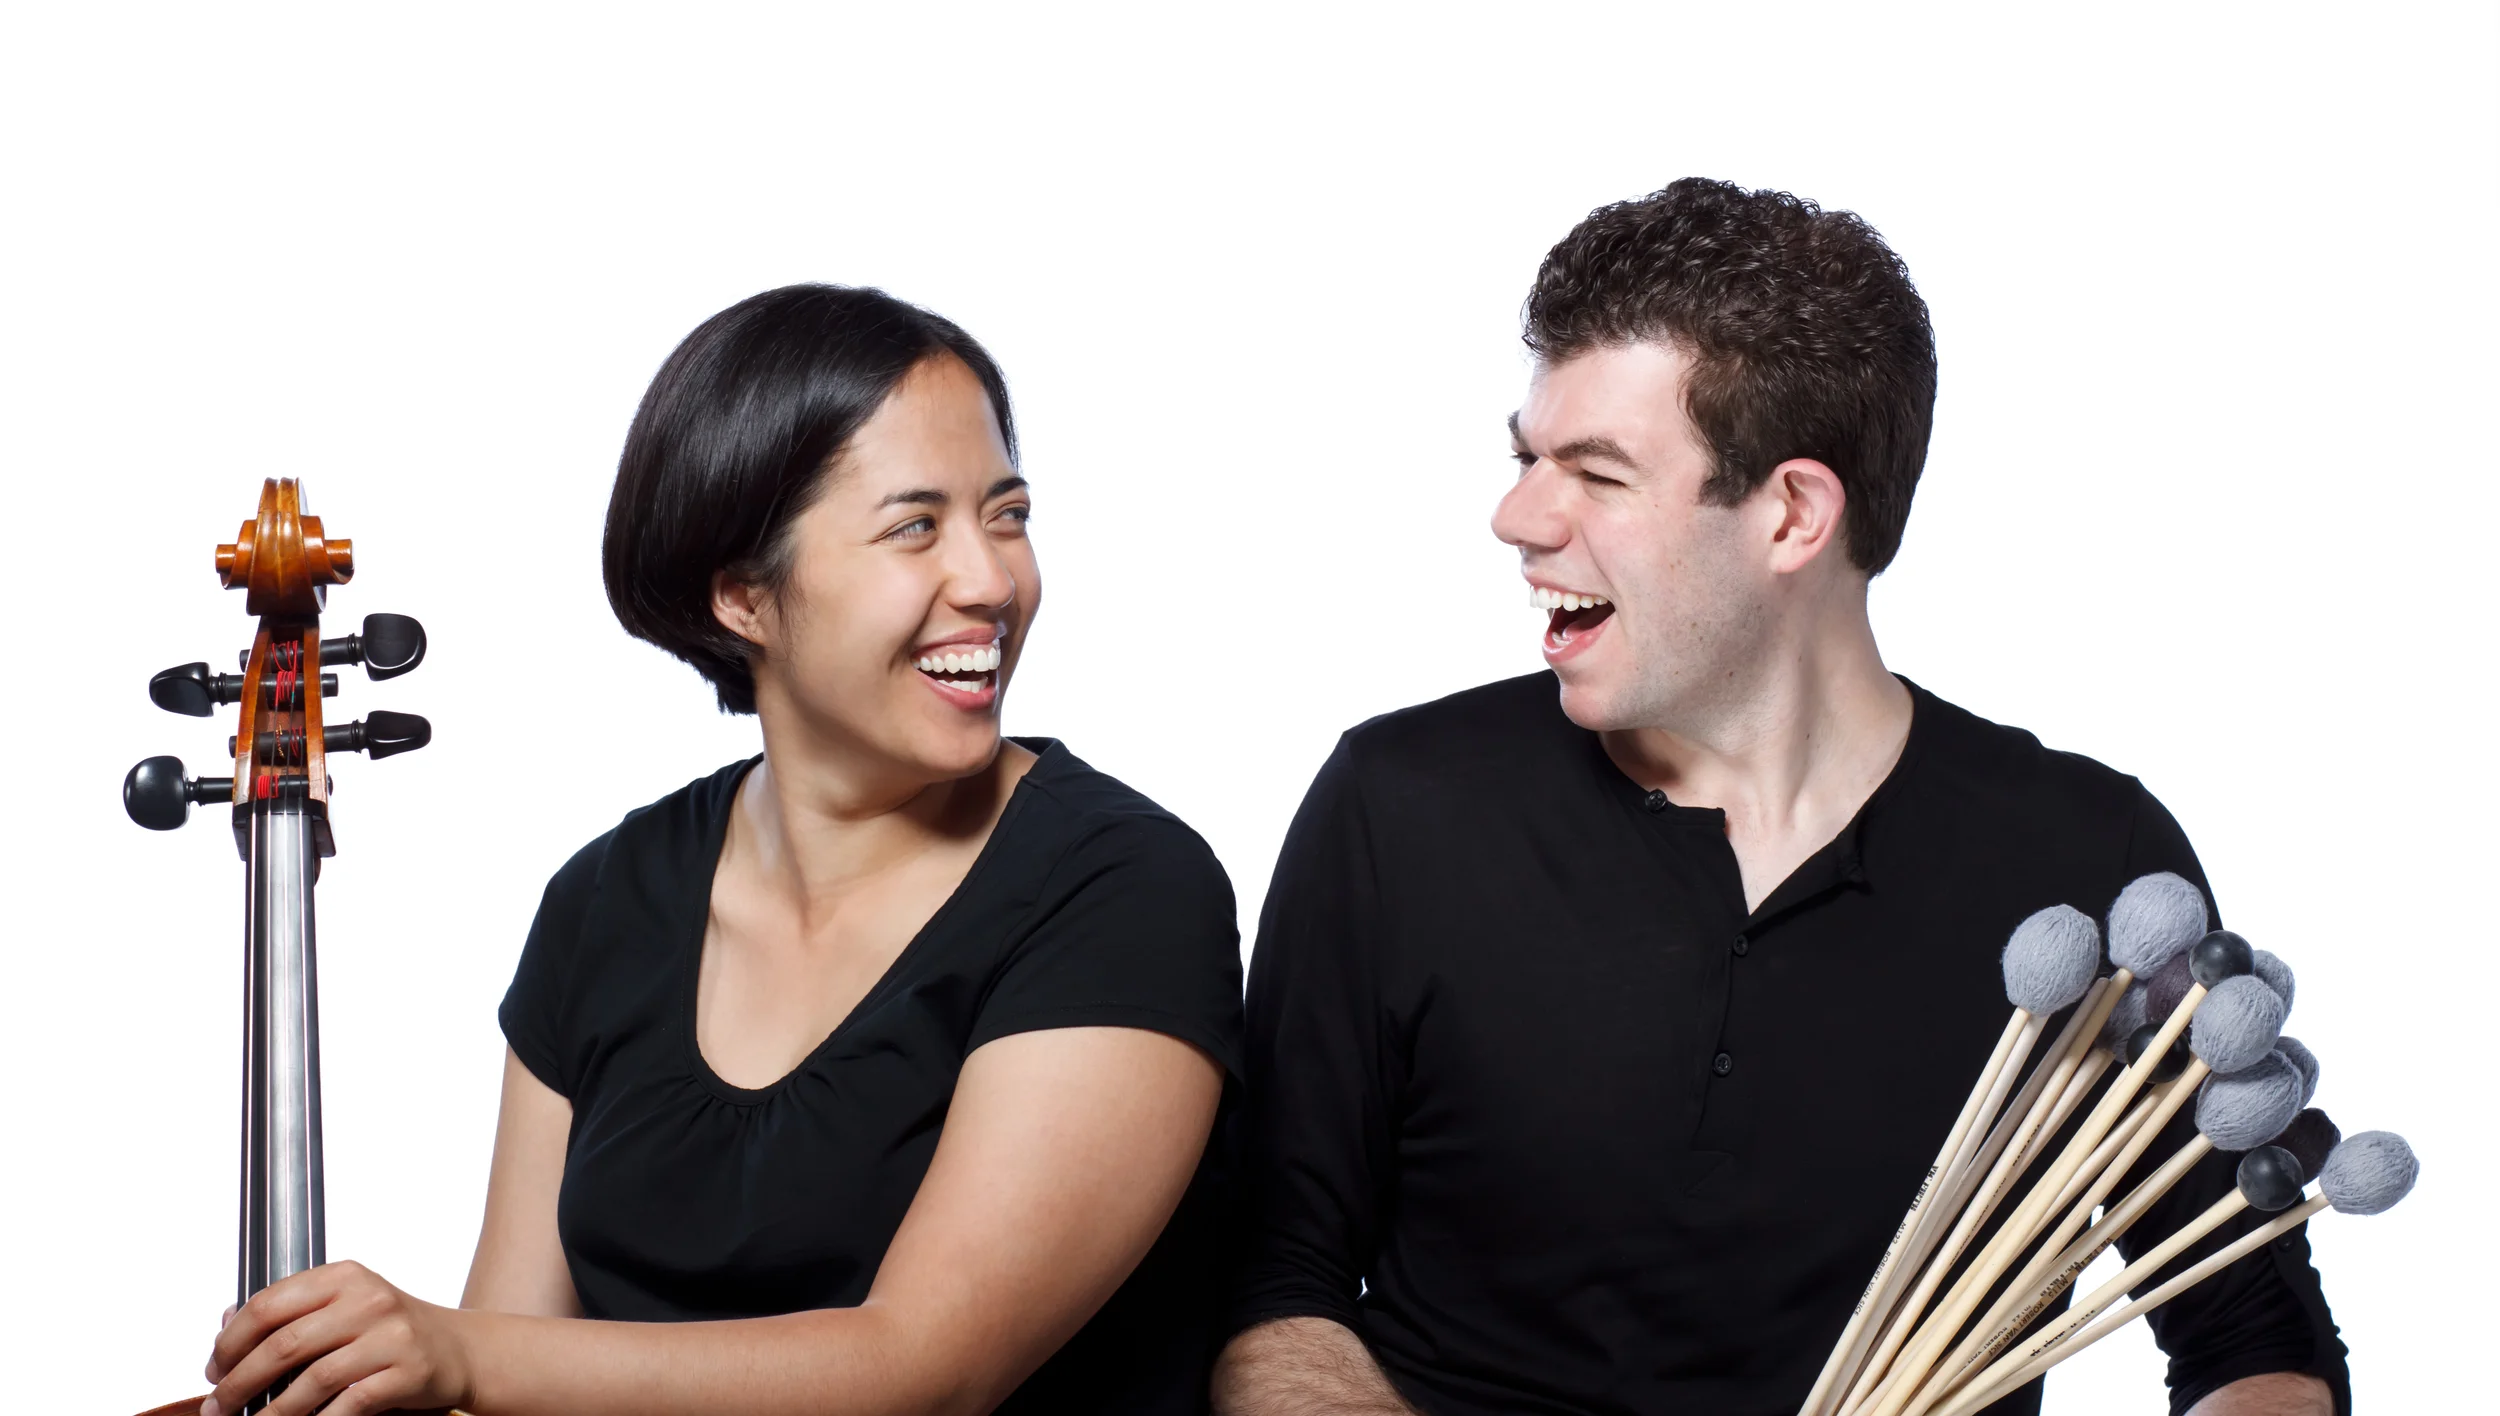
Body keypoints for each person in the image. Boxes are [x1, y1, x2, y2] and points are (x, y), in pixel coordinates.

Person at [1213, 180, 2346, 1416]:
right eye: (1525, 456)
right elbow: (1268, 1284)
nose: (1515, 516)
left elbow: (2253, 1349)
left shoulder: (2085, 858)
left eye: (1597, 474)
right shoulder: (1400, 806)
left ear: (1792, 514)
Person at [202, 285, 1244, 1416]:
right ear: (744, 596)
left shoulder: (1123, 892)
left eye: (1007, 514)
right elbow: (505, 1351)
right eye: (915, 527)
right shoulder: (604, 901)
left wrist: (464, 1355)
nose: (992, 581)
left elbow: (926, 1372)